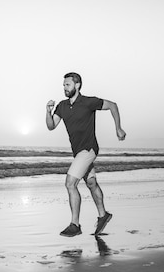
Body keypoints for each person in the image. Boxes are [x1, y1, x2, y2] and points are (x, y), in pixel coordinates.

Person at [46, 72, 126, 237]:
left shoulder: (88, 102)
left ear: (77, 85)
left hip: (88, 149)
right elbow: (51, 126)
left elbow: (113, 105)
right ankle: (103, 215)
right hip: (78, 153)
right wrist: (48, 111)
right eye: (63, 85)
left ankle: (75, 224)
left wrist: (118, 128)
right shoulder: (61, 106)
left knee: (70, 184)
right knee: (91, 183)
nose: (64, 88)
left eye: (67, 85)